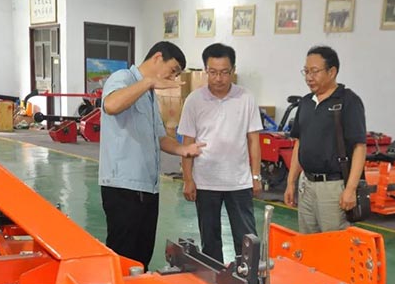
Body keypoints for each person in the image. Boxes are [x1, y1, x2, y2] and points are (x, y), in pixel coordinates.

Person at [99, 41, 205, 270]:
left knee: (142, 254)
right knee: (123, 255)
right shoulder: (123, 78)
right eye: (173, 70)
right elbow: (111, 105)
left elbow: (160, 137)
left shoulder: (149, 96)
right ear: (158, 57)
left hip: (148, 187)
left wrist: (184, 150)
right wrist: (149, 82)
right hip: (123, 187)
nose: (173, 78)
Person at [179, 43, 263, 263]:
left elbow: (254, 140)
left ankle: (249, 278)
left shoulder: (246, 98)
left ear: (233, 70)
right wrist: (188, 179)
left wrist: (255, 176)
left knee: (246, 239)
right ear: (205, 70)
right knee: (210, 240)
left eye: (224, 72)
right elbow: (187, 143)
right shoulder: (194, 100)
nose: (218, 78)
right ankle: (213, 277)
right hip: (205, 182)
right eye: (213, 72)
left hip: (239, 183)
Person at [283, 46, 366, 234]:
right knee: (307, 241)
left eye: (315, 71)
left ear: (332, 72)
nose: (309, 77)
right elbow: (299, 144)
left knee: (332, 243)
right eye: (306, 71)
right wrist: (291, 182)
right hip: (306, 184)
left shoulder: (348, 101)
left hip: (333, 188)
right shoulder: (305, 103)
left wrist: (350, 189)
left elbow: (359, 148)